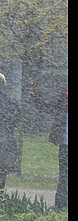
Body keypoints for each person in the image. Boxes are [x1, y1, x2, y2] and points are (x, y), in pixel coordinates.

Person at [48, 80, 68, 208]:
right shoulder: (63, 100)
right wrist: (34, 92)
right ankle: (60, 205)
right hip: (65, 145)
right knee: (64, 176)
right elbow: (45, 106)